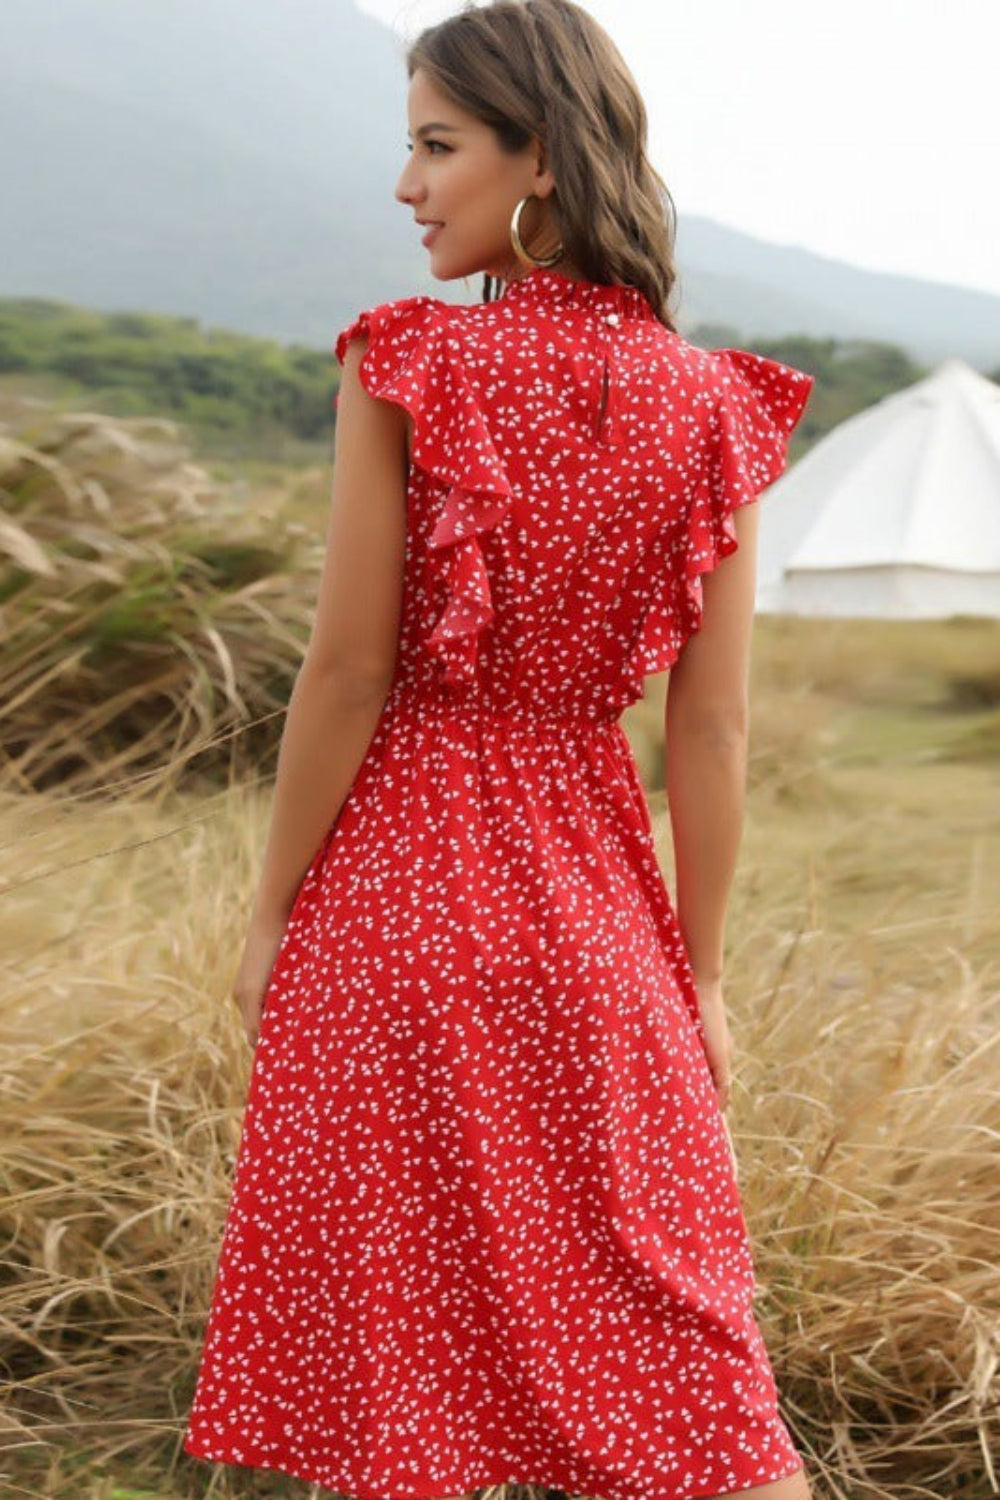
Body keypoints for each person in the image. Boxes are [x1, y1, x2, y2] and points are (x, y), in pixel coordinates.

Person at [183, 2, 816, 1498]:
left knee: (397, 1387)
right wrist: (704, 976)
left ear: (539, 157)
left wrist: (275, 913)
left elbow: (346, 674)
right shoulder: (717, 402)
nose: (407, 185)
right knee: (691, 1377)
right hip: (599, 928)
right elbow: (711, 731)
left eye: (436, 144)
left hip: (395, 907)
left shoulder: (409, 363)